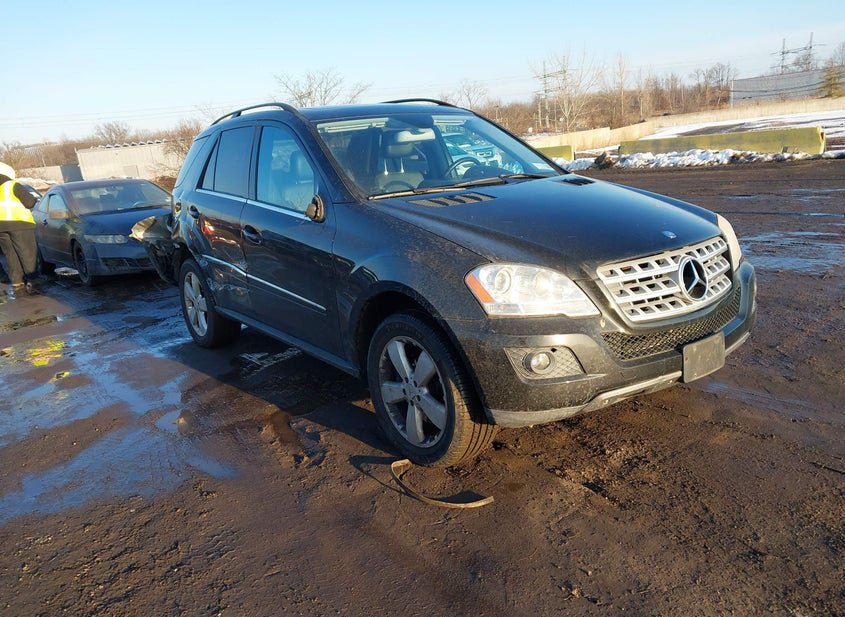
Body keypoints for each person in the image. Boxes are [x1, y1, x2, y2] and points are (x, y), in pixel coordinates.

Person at [0, 162, 39, 296]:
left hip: (1, 227)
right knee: (26, 252)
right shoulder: (12, 185)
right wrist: (33, 198)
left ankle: (16, 281)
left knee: (10, 254)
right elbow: (29, 202)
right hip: (20, 224)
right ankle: (32, 279)